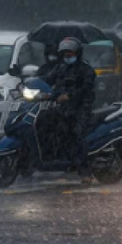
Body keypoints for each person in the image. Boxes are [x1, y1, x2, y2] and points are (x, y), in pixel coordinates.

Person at [44, 37, 97, 184]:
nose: (67, 55)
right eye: (65, 52)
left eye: (70, 52)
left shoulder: (86, 70)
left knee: (76, 135)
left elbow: (86, 88)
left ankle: (86, 171)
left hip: (81, 107)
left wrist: (70, 96)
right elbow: (47, 79)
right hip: (62, 107)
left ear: (77, 53)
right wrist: (30, 82)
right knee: (47, 125)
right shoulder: (60, 68)